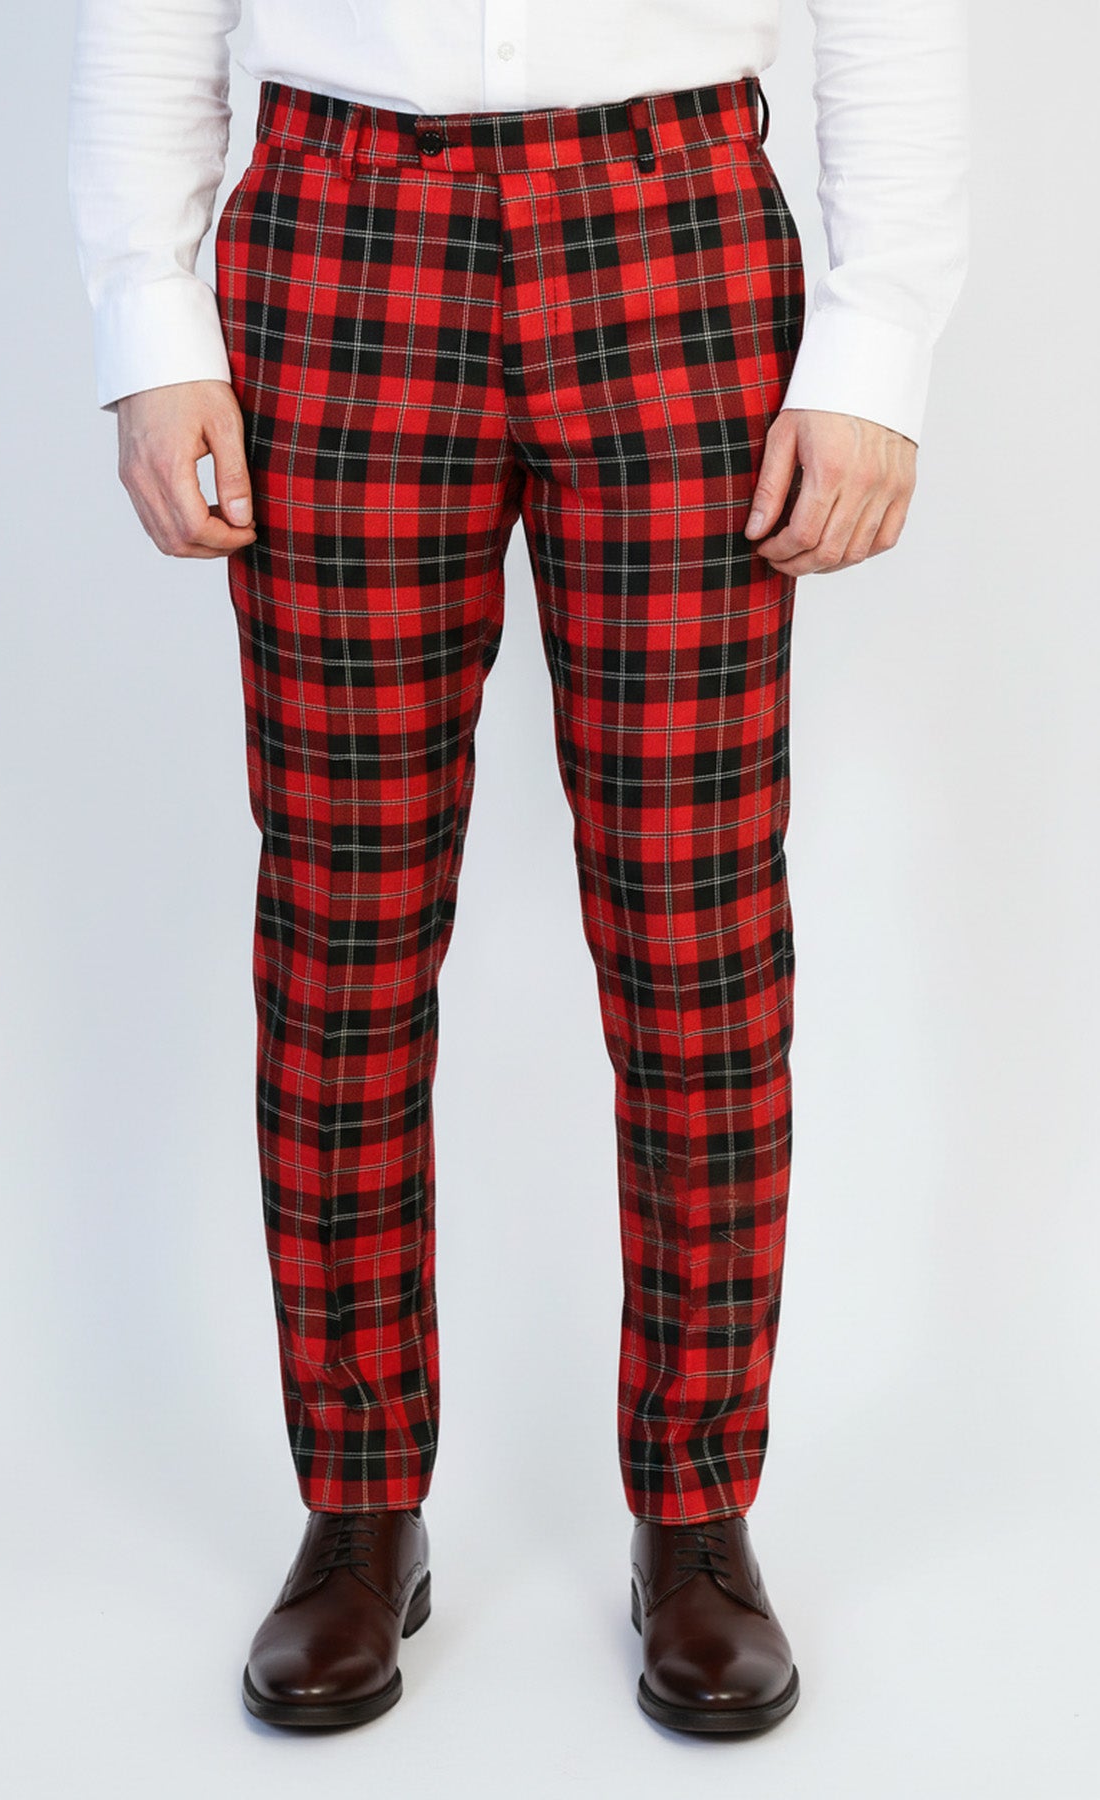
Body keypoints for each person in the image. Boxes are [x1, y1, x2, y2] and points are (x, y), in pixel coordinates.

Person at [67, 0, 969, 1737]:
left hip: (677, 232)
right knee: (342, 926)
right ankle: (358, 1509)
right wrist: (149, 317)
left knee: (696, 928)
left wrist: (875, 342)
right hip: (336, 236)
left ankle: (697, 1518)